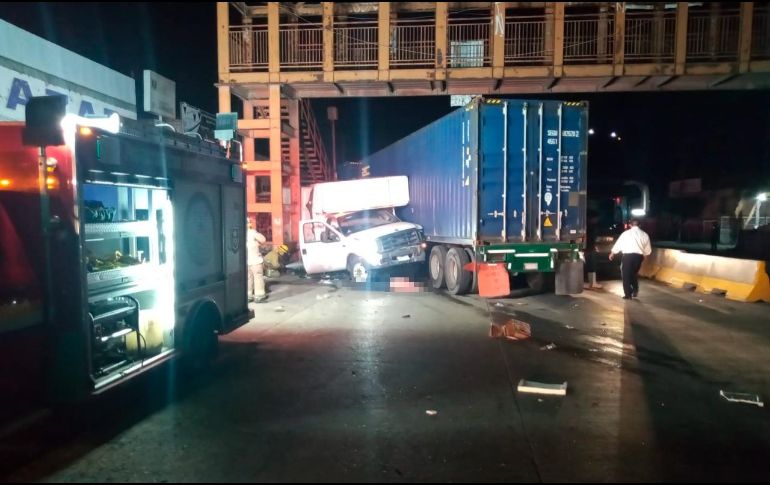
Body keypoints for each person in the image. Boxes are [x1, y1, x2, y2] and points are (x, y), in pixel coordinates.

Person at [609, 219, 652, 300]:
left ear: (630, 225)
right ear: (639, 225)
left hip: (627, 256)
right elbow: (647, 249)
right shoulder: (644, 234)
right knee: (633, 274)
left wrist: (612, 253)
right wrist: (645, 257)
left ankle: (628, 294)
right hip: (638, 257)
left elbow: (619, 244)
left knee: (626, 275)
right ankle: (635, 289)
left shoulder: (625, 233)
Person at [247, 219, 267, 302]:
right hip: (255, 261)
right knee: (258, 277)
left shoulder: (240, 233)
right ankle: (259, 296)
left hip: (247, 262)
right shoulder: (252, 232)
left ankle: (248, 296)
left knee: (248, 279)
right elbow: (263, 239)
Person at [584, 211, 603, 289]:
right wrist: (594, 246)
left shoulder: (587, 226)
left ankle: (591, 283)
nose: (597, 220)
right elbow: (592, 238)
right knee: (592, 265)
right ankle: (592, 283)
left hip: (587, 248)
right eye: (596, 218)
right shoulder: (592, 227)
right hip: (589, 248)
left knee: (590, 265)